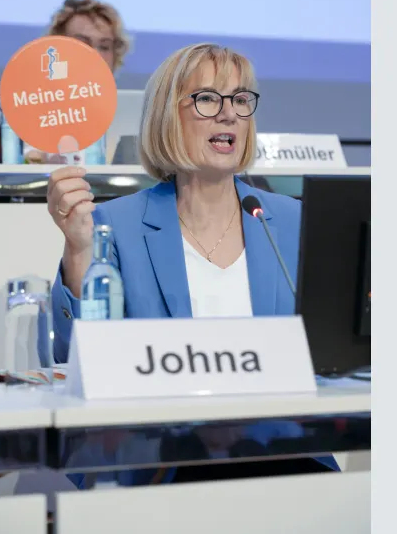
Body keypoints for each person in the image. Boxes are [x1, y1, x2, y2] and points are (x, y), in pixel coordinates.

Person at [44, 43, 337, 485]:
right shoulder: (113, 224)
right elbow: (78, 362)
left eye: (240, 99)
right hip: (166, 465)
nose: (229, 114)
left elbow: (334, 356)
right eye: (207, 99)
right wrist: (79, 250)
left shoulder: (292, 220)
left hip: (285, 457)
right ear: (167, 116)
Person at [0, 0, 131, 165]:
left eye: (104, 46)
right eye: (82, 43)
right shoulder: (29, 101)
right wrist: (40, 160)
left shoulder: (128, 112)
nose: (94, 53)